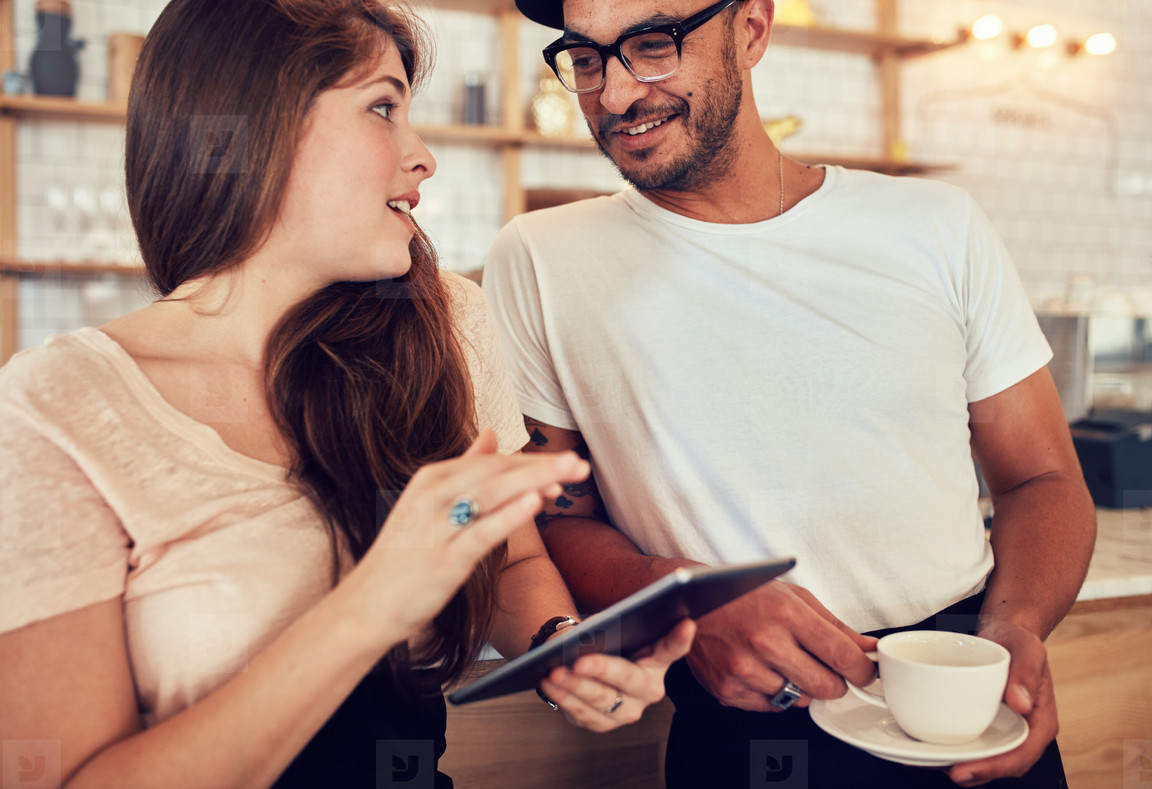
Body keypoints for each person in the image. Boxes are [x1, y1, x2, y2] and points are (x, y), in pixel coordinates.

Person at [0, 1, 696, 787]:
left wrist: (560, 645)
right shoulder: (56, 406)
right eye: (381, 108)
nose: (423, 156)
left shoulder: (444, 324)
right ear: (252, 127)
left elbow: (505, 554)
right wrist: (374, 599)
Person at [482, 0, 1097, 787]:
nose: (614, 95)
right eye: (589, 58)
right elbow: (552, 514)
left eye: (652, 44)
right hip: (746, 727)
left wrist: (1017, 626)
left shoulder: (937, 225)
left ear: (752, 30)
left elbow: (1042, 476)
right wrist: (682, 600)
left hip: (963, 694)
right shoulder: (539, 258)